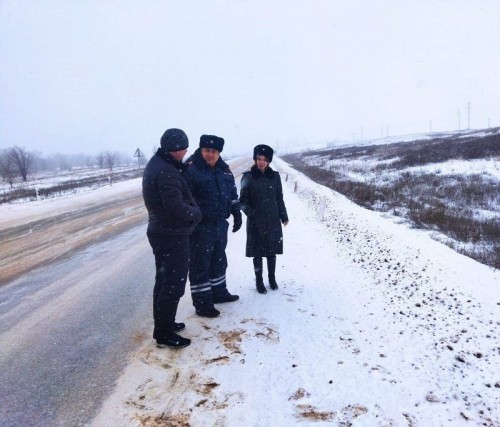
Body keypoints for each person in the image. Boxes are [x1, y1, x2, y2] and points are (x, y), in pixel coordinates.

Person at [142, 128, 202, 348]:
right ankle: (164, 332)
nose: (186, 152)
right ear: (177, 148)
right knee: (172, 285)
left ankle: (164, 324)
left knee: (164, 281)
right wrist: (196, 213)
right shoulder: (166, 170)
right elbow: (174, 206)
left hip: (163, 232)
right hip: (170, 234)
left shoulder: (158, 164)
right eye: (184, 148)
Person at [186, 134, 242, 317]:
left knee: (219, 260)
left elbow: (232, 193)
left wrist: (236, 211)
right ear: (201, 150)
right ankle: (202, 304)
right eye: (207, 150)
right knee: (200, 264)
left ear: (219, 153)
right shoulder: (191, 169)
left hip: (220, 224)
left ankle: (219, 292)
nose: (210, 154)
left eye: (214, 151)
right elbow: (184, 198)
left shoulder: (224, 170)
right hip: (200, 226)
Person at [239, 144, 289, 294]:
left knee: (271, 251)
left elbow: (279, 198)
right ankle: (259, 281)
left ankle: (272, 279)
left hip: (273, 219)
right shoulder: (247, 177)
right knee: (258, 253)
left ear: (269, 161)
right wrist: (251, 213)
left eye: (264, 159)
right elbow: (242, 201)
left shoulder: (275, 177)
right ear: (255, 159)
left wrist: (283, 215)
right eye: (258, 159)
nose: (261, 162)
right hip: (255, 221)